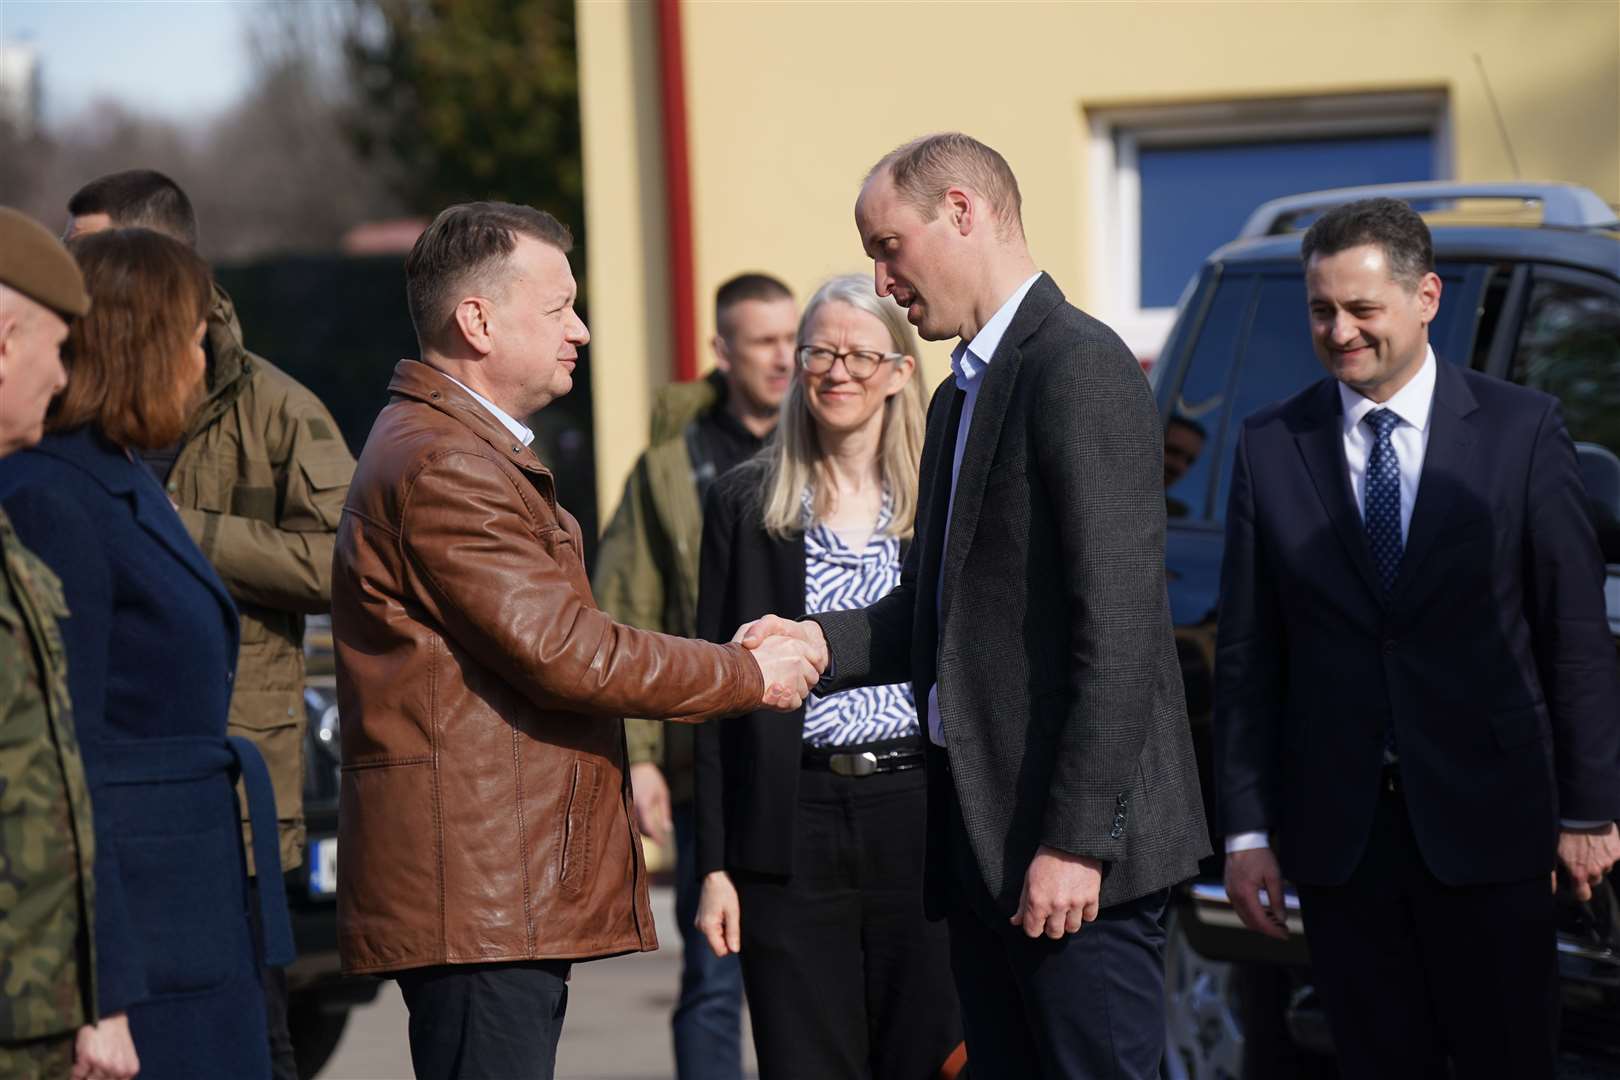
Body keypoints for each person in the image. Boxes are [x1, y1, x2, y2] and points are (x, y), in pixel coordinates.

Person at [737, 134, 1209, 1077]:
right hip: (988, 857)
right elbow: (943, 611)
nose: (882, 279)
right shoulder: (962, 394)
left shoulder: (1076, 366)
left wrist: (1076, 843)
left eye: (889, 246)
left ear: (962, 210)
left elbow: (1117, 634)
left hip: (1075, 869)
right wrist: (817, 642)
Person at [329, 201, 822, 1080]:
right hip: (477, 897)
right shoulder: (447, 464)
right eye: (558, 308)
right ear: (476, 320)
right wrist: (748, 673)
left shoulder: (459, 447)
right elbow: (571, 652)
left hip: (488, 887)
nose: (583, 331)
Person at [1215, 197, 1620, 1079]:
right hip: (1342, 840)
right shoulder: (1271, 444)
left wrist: (1588, 811)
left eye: (1363, 310)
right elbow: (1250, 654)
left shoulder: (1522, 431)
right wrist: (1245, 833)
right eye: (1322, 310)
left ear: (1426, 297)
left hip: (1492, 826)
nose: (1340, 331)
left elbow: (1575, 633)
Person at [65, 168, 355, 1080]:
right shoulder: (52, 435)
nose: (72, 279)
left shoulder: (273, 406)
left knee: (256, 1036)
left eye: (93, 255)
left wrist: (186, 533)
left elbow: (352, 562)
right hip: (122, 816)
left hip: (242, 793)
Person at [0, 226, 293, 1079]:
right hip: (143, 944)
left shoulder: (121, 476)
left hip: (194, 918)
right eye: (195, 341)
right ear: (142, 347)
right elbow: (62, 764)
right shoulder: (51, 495)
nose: (204, 364)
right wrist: (102, 990)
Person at [692, 274, 961, 1078]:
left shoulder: (944, 504)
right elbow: (715, 692)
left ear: (900, 372)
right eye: (819, 352)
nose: (837, 371)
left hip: (920, 817)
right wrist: (713, 866)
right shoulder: (745, 504)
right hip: (793, 825)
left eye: (858, 354)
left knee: (931, 1058)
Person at [593, 271, 796, 1080]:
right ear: (722, 350)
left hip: (812, 755)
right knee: (714, 977)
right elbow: (627, 608)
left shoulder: (828, 440)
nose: (786, 359)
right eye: (765, 342)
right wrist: (638, 755)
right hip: (708, 758)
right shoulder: (670, 470)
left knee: (804, 969)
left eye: (793, 338)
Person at [0, 208, 141, 1080]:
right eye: (57, 349)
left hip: (39, 1015)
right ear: (5, 339)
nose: (63, 382)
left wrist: (89, 997)